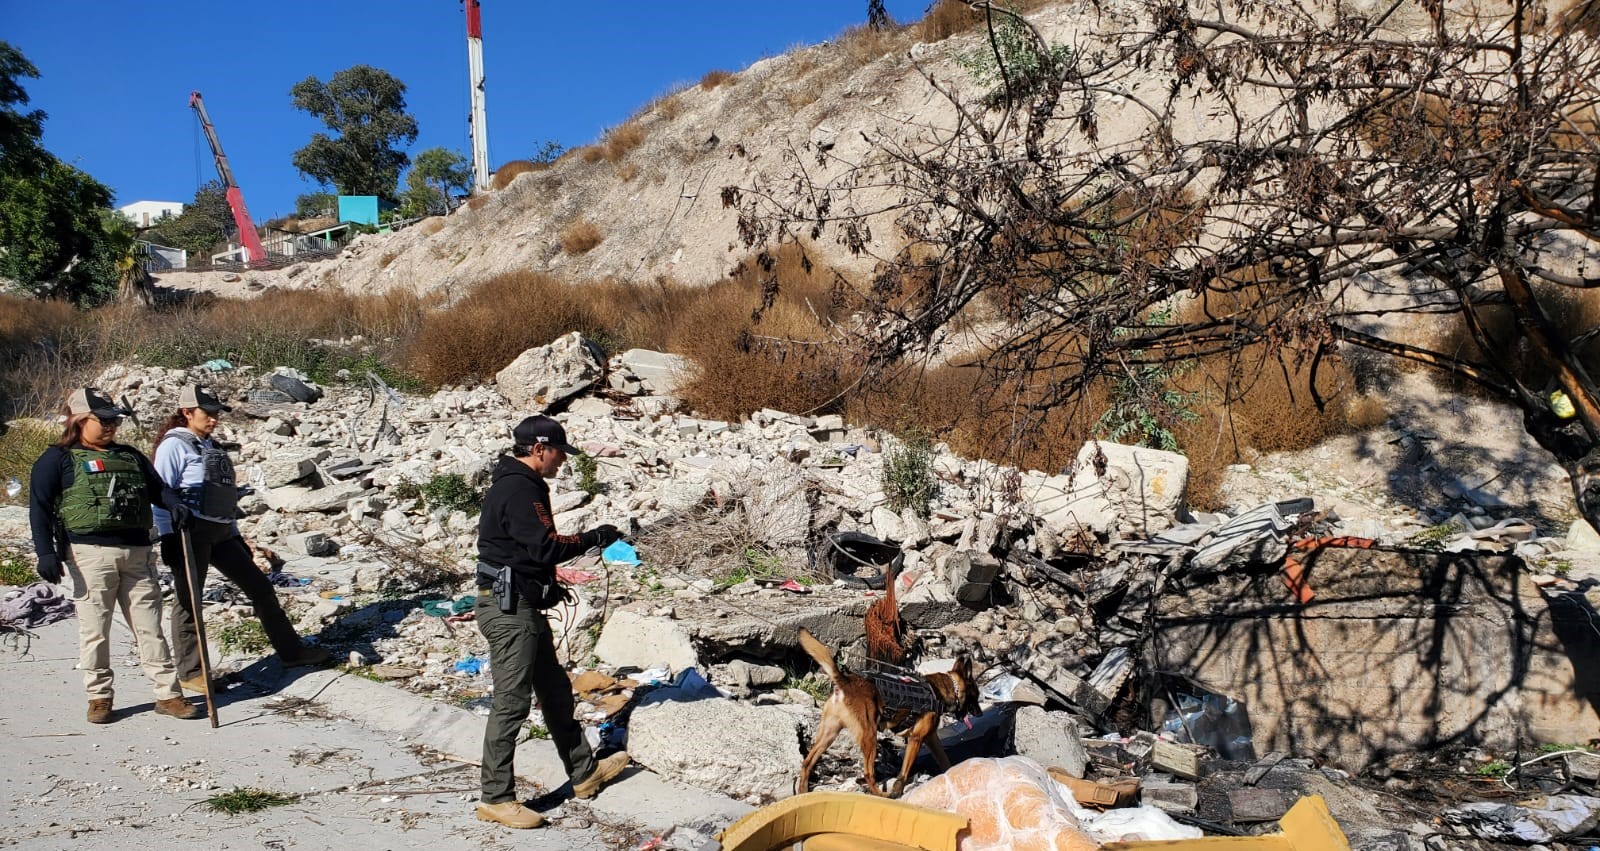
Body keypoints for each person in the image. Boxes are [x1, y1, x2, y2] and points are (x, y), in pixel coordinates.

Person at [474, 415, 630, 829]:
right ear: (539, 449)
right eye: (559, 452)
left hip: (521, 604)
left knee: (556, 692)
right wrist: (594, 538)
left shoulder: (517, 483)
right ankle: (495, 798)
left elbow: (522, 551)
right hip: (509, 611)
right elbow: (544, 547)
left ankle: (584, 772)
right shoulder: (519, 488)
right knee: (512, 702)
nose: (562, 460)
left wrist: (544, 587)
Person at [27, 388, 199, 723]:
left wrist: (174, 504)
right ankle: (99, 697)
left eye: (114, 421)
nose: (111, 427)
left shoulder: (129, 456)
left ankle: (168, 695)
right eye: (103, 420)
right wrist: (45, 552)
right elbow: (40, 507)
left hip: (138, 552)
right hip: (89, 554)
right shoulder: (57, 459)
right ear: (79, 420)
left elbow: (158, 489)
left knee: (150, 628)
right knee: (95, 629)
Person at [152, 384, 330, 691]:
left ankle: (292, 652)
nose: (213, 419)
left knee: (260, 588)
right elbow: (159, 494)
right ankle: (191, 672)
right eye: (207, 413)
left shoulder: (211, 446)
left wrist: (236, 536)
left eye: (216, 413)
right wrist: (168, 535)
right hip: (190, 533)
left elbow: (223, 498)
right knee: (188, 601)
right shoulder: (174, 446)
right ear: (187, 412)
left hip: (222, 533)